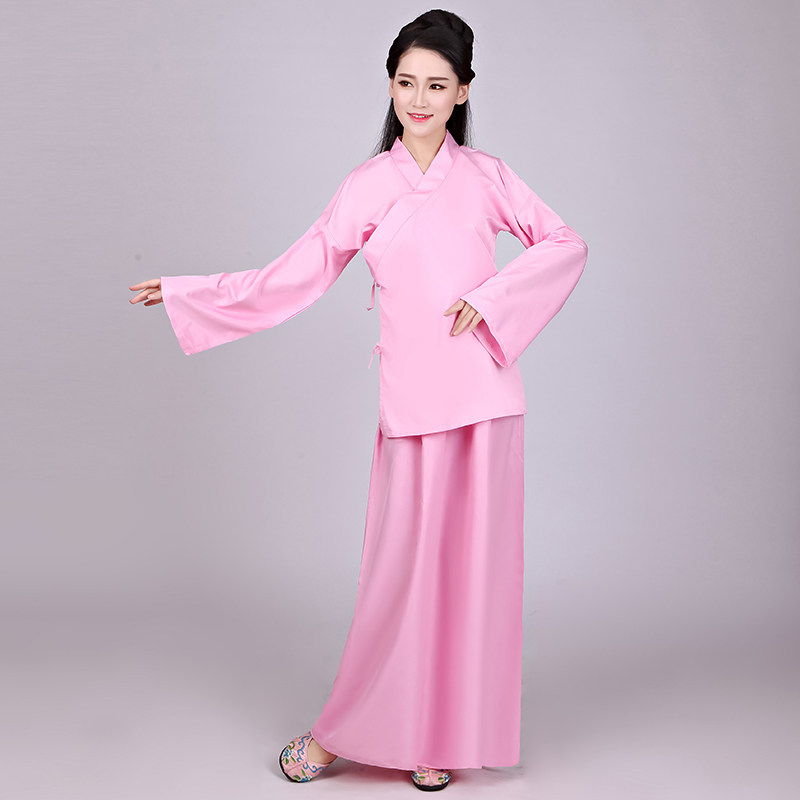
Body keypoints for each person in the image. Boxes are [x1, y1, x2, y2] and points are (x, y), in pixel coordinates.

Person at [129, 8, 587, 793]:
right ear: (391, 86)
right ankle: (343, 730)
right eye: (407, 82)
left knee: (469, 579)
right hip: (412, 404)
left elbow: (564, 243)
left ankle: (439, 739)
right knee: (398, 579)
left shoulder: (487, 176)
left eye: (437, 85)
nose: (420, 98)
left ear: (463, 91)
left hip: (485, 401)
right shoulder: (367, 186)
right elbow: (293, 275)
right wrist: (189, 292)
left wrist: (494, 299)